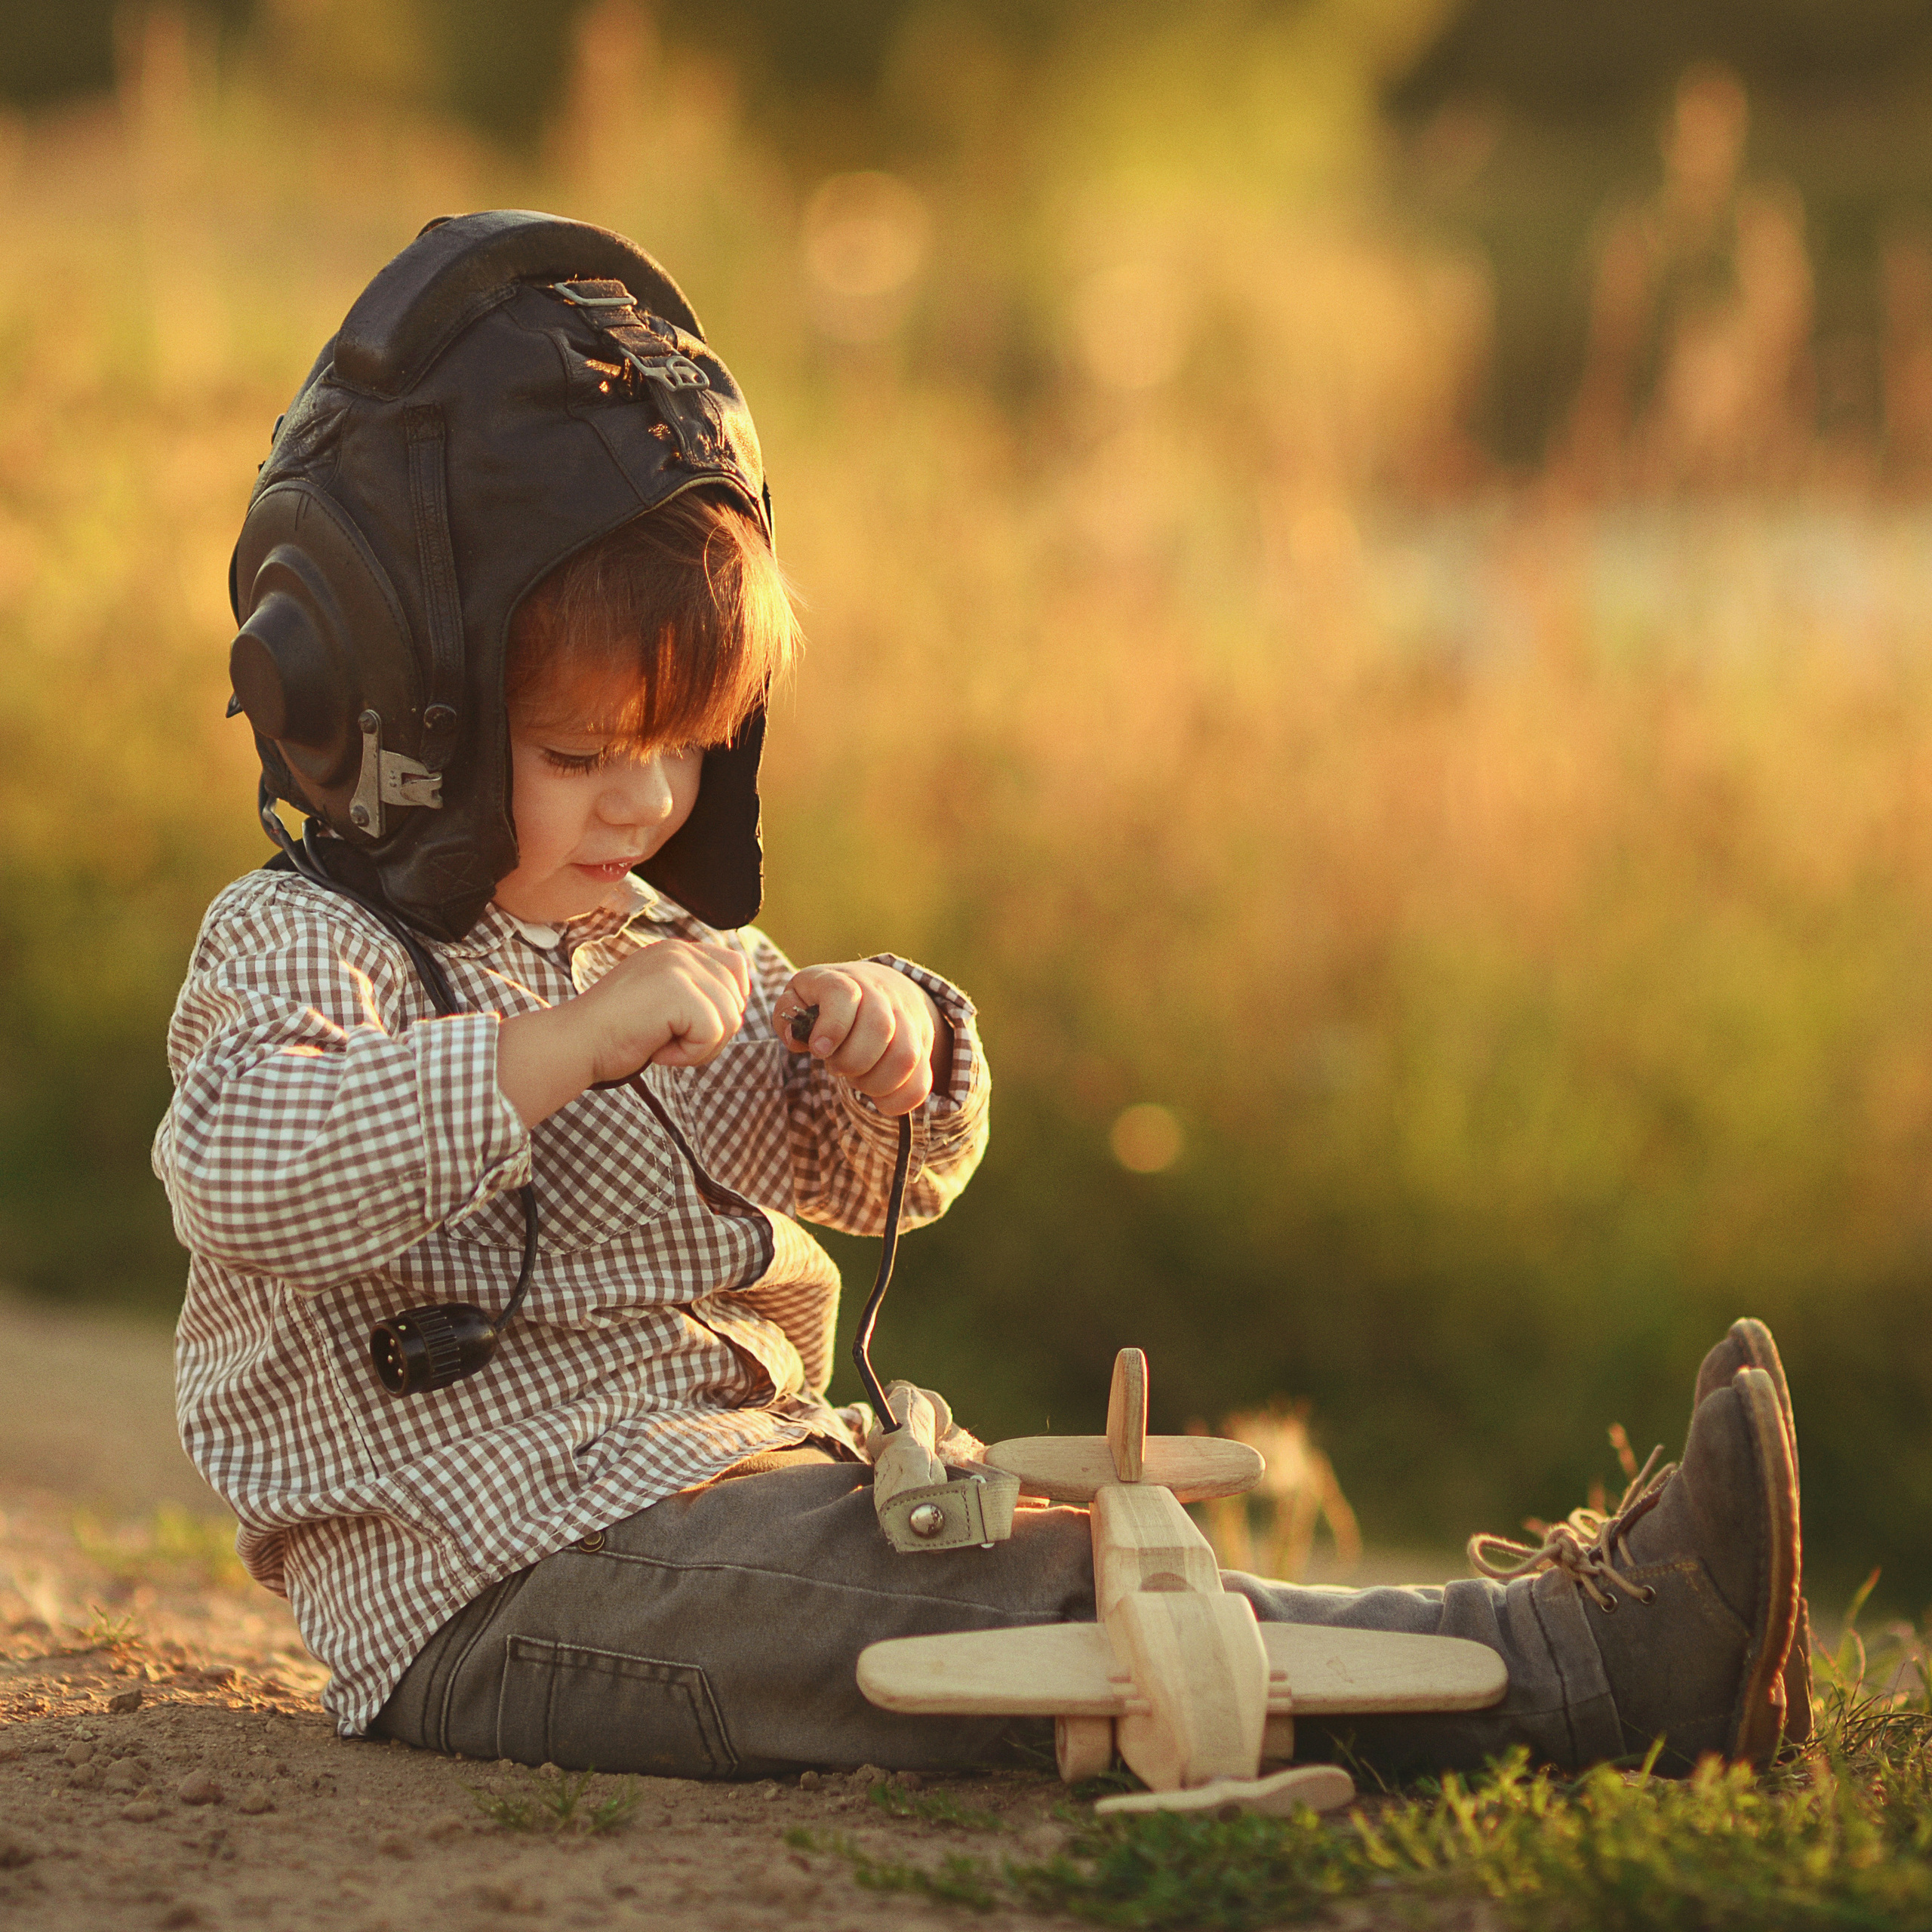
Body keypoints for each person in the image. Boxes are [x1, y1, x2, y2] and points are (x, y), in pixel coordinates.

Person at [154, 211, 1808, 1786]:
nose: (640, 803)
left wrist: (889, 1047)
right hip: (495, 1583)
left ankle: (1557, 1656)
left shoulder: (645, 936)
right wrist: (547, 1053)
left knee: (1064, 1559)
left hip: (719, 1498)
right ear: (390, 709)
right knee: (1031, 1625)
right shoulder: (311, 947)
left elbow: (879, 1175)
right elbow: (238, 1164)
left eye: (677, 745)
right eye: (578, 754)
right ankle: (1582, 1670)